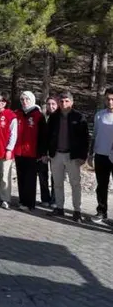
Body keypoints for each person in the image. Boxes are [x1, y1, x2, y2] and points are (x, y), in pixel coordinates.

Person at [47, 92, 89, 221]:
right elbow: (47, 137)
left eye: (66, 101)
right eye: (61, 101)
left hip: (73, 156)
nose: (63, 104)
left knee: (75, 184)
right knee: (57, 183)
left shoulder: (79, 117)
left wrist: (83, 157)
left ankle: (77, 211)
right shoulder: (53, 117)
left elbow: (85, 139)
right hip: (56, 155)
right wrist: (47, 153)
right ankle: (59, 208)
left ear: (71, 102)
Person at [14, 91, 47, 211]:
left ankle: (29, 203)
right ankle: (22, 200)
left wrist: (42, 153)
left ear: (32, 100)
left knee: (30, 179)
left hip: (32, 153)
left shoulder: (38, 115)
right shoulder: (17, 113)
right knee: (20, 177)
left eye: (27, 99)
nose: (24, 101)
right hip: (19, 152)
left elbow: (43, 136)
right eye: (22, 99)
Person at [0, 93, 17, 209]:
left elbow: (13, 134)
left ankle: (5, 198)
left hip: (5, 150)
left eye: (3, 101)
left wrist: (9, 149)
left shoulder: (11, 115)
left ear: (6, 102)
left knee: (5, 176)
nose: (0, 103)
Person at [91, 87, 113, 223]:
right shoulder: (99, 115)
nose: (110, 102)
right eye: (108, 99)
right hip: (100, 155)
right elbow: (94, 135)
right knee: (101, 186)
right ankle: (101, 211)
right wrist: (90, 153)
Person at [38, 96, 58, 207]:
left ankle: (54, 200)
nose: (51, 106)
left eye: (53, 104)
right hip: (43, 152)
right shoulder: (43, 117)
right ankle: (45, 198)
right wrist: (43, 153)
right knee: (42, 175)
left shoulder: (60, 118)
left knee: (55, 177)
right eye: (49, 104)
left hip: (56, 153)